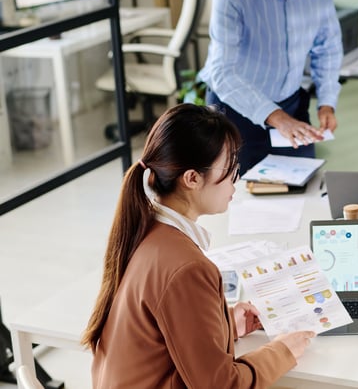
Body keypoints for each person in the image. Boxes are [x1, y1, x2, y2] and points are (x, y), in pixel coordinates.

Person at [82, 104, 315, 388]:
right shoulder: (187, 268)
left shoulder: (142, 231)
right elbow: (220, 385)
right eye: (230, 169)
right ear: (192, 178)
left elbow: (161, 334)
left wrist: (226, 323)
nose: (236, 180)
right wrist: (282, 352)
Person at [198, 0, 343, 173]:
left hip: (290, 105)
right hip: (236, 112)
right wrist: (278, 119)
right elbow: (222, 72)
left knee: (301, 189)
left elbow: (327, 44)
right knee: (238, 198)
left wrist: (326, 102)